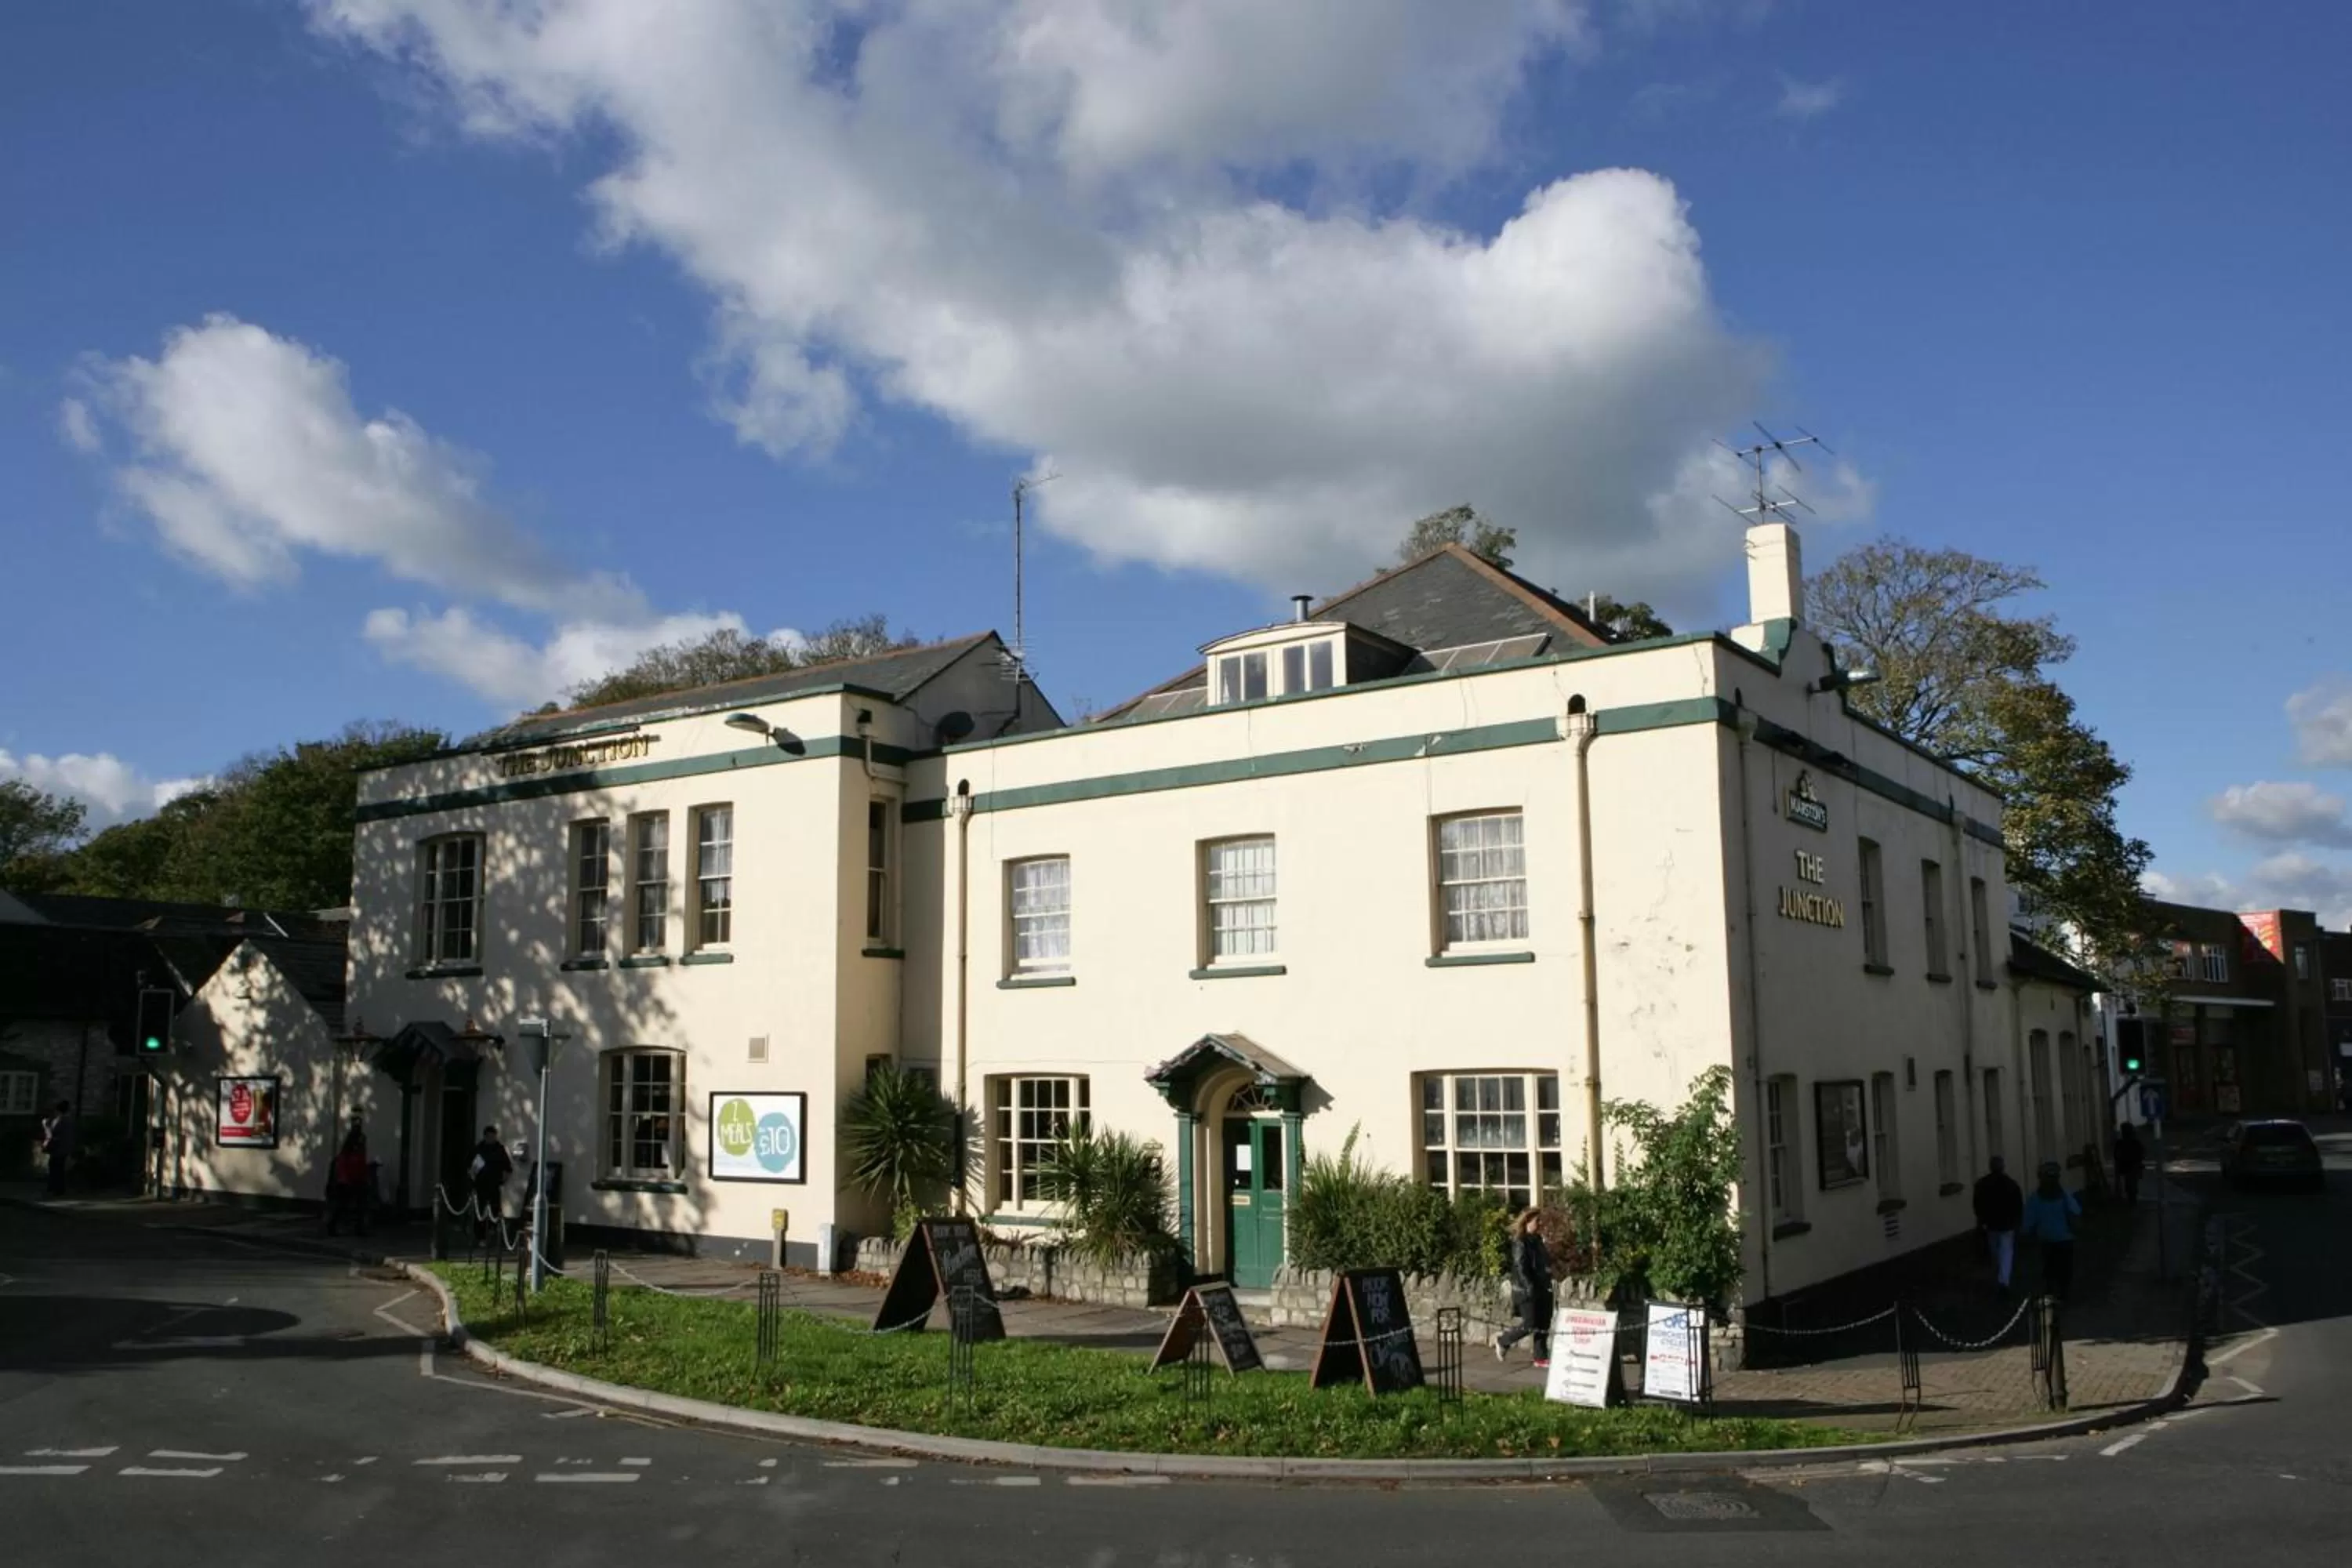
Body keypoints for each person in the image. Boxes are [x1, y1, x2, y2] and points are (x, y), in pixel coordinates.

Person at [1491, 1207, 1555, 1368]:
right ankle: (1503, 1341)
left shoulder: (1538, 1240)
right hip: (1526, 1290)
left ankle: (1540, 1357)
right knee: (1530, 1324)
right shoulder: (1520, 1242)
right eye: (1537, 1221)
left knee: (1543, 1324)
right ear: (1528, 1222)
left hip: (1542, 1287)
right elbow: (1521, 1268)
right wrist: (1529, 1287)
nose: (1540, 1224)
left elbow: (1544, 1262)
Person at [2020, 1160, 2083, 1299]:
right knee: (2065, 1267)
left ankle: (2051, 1291)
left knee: (2049, 1267)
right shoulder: (2065, 1195)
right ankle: (2063, 1292)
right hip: (2065, 1238)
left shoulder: (2035, 1198)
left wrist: (2026, 1233)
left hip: (2046, 1239)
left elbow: (2029, 1220)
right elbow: (2076, 1212)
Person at [1973, 1155, 2025, 1293]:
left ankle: (1999, 1275)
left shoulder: (1982, 1184)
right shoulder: (2011, 1184)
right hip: (2007, 1224)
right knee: (2006, 1252)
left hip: (1991, 1224)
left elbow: (1977, 1204)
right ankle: (2004, 1280)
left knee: (1994, 1250)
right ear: (2003, 1167)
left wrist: (1981, 1220)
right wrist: (2017, 1221)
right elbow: (2018, 1205)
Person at [470, 1123, 514, 1243]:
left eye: (494, 1136)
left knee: (495, 1209)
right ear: (485, 1136)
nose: (492, 1139)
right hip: (481, 1185)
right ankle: (480, 1236)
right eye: (490, 1137)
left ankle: (493, 1233)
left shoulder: (499, 1149)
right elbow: (472, 1168)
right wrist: (473, 1179)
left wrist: (503, 1181)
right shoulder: (479, 1149)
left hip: (494, 1185)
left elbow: (508, 1168)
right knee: (480, 1210)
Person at [326, 1120, 371, 1236]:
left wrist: (364, 1177)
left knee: (360, 1206)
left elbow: (361, 1165)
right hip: (348, 1182)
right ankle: (332, 1226)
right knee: (342, 1205)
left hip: (357, 1180)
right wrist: (345, 1179)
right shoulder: (349, 1151)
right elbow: (344, 1165)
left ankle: (359, 1228)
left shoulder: (358, 1151)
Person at [38, 1101, 76, 1196]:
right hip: (64, 1148)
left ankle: (55, 1188)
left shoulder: (60, 1121)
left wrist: (46, 1126)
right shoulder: (70, 1121)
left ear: (58, 1110)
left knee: (55, 1168)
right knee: (59, 1168)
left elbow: (52, 1134)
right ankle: (58, 1188)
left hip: (58, 1148)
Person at [2112, 1123, 2146, 1206]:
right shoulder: (2135, 1142)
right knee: (2131, 1184)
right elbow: (2142, 1154)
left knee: (2129, 1184)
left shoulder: (2121, 1143)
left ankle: (2130, 1199)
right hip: (2131, 1167)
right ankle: (2131, 1199)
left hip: (2127, 1167)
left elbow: (2116, 1155)